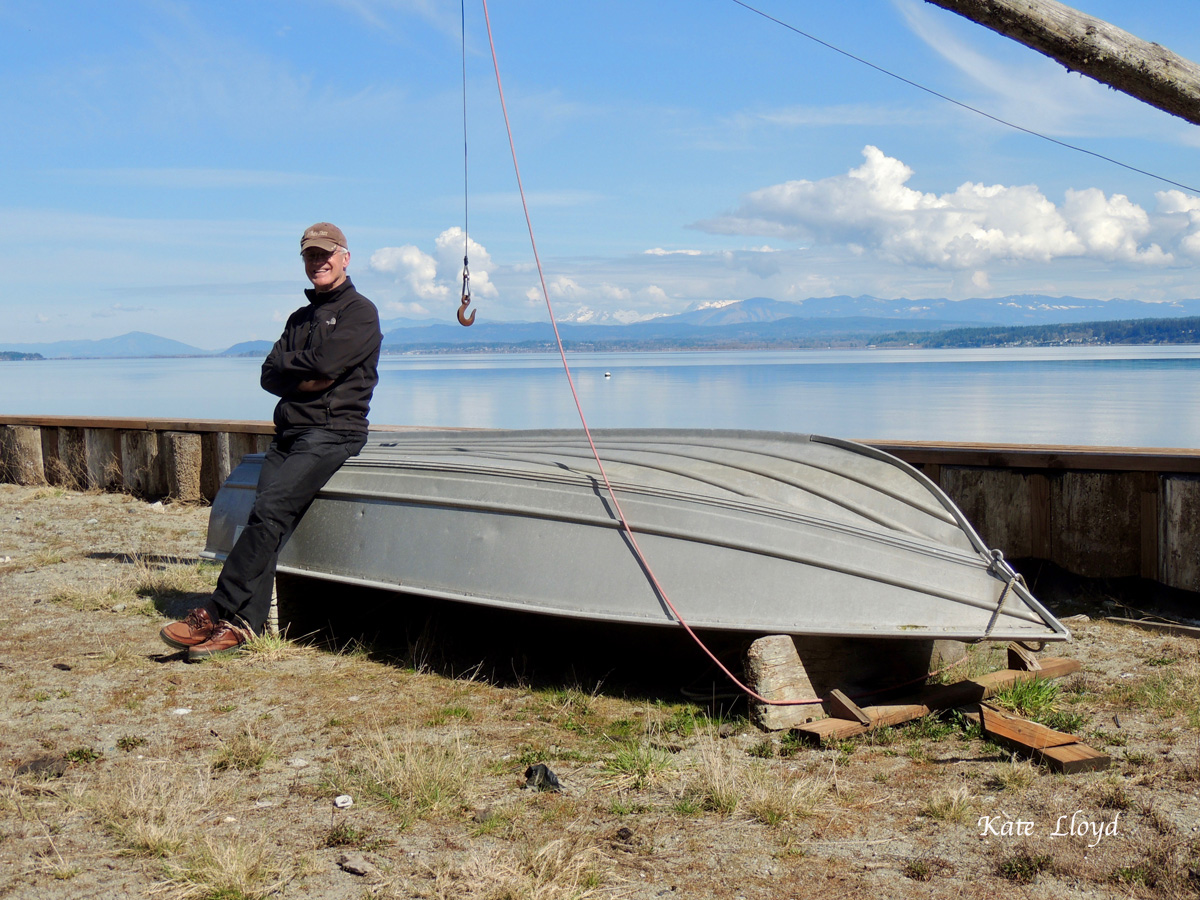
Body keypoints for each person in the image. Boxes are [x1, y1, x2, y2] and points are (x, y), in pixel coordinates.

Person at [160, 222, 383, 660]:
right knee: (267, 522)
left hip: (333, 432)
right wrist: (308, 377)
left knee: (268, 510)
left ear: (345, 257)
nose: (317, 262)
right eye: (309, 256)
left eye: (325, 254)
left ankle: (215, 609)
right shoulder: (298, 318)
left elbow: (329, 362)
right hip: (289, 434)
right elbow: (269, 374)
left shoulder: (360, 311)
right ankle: (245, 626)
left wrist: (296, 371)